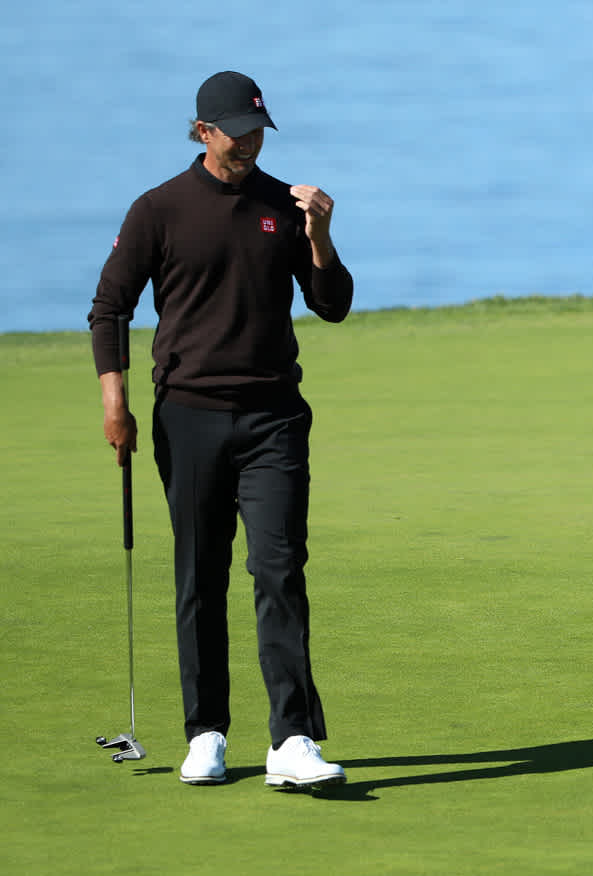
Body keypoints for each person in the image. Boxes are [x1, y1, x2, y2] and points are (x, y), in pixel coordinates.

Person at [88, 71, 353, 789]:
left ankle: (292, 740)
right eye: (235, 131)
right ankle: (206, 732)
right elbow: (110, 307)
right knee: (200, 577)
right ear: (203, 130)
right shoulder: (160, 209)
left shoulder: (284, 205)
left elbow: (332, 306)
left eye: (257, 130)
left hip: (273, 418)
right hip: (188, 417)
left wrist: (320, 237)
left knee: (278, 570)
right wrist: (116, 402)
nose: (248, 142)